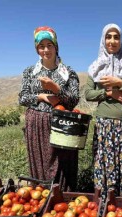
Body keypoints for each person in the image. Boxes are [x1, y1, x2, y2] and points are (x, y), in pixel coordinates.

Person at [84, 23, 122, 199]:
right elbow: (88, 93)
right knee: (104, 166)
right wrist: (107, 92)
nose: (112, 41)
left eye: (116, 37)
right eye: (108, 37)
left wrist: (120, 83)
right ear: (103, 40)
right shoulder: (95, 66)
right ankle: (106, 207)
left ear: (121, 40)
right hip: (104, 124)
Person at [19, 26, 80, 191]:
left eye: (49, 45)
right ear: (37, 49)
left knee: (63, 163)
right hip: (36, 125)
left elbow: (74, 100)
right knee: (40, 162)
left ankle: (64, 199)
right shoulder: (30, 72)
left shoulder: (68, 72)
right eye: (41, 46)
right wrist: (40, 96)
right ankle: (41, 197)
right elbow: (22, 98)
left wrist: (55, 88)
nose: (46, 50)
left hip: (62, 124)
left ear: (56, 46)